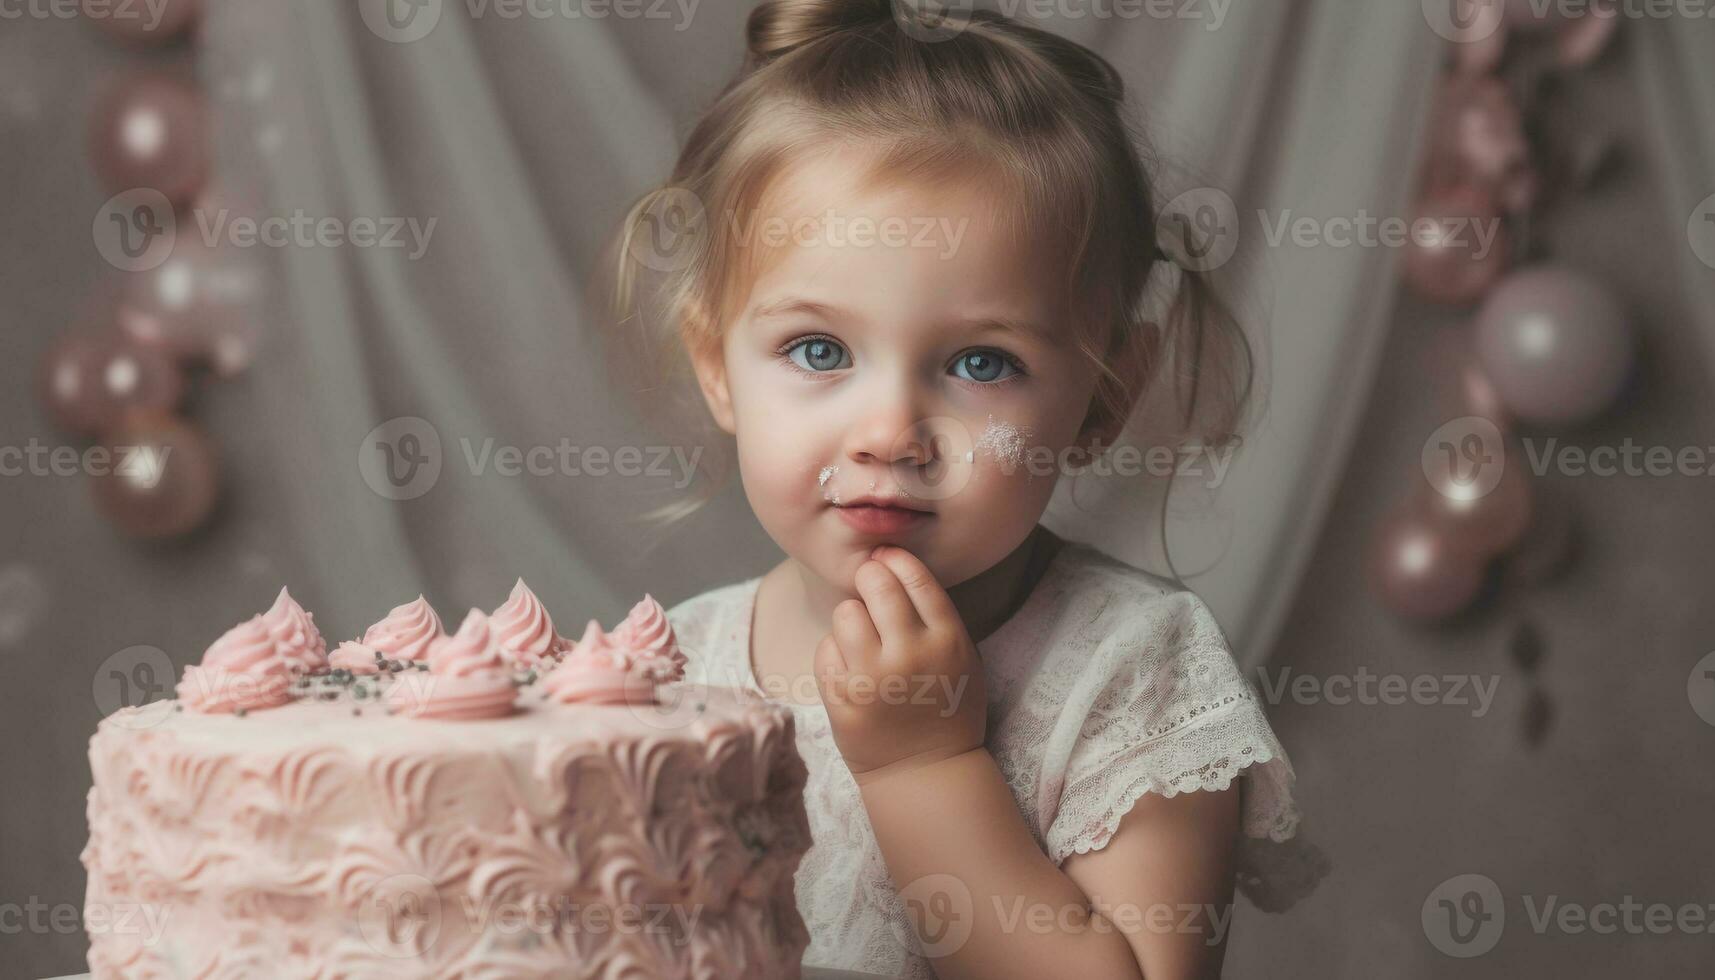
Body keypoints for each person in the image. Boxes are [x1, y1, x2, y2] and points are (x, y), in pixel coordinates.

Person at [604, 2, 1304, 976]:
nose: (889, 433)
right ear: (717, 365)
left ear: (1104, 395)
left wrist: (923, 767)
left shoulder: (1131, 672)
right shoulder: (666, 670)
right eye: (818, 349)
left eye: (980, 363)